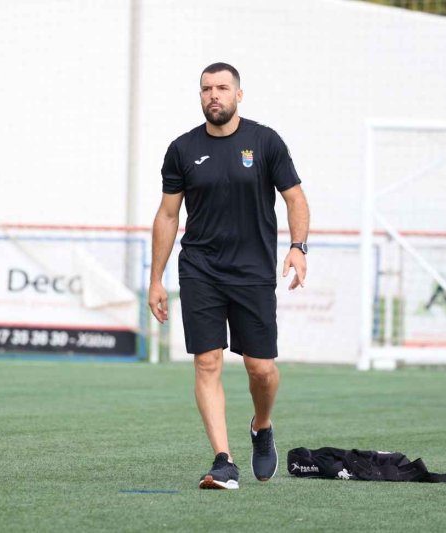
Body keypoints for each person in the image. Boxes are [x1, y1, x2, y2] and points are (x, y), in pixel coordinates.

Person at [148, 62, 309, 490]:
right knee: (207, 361)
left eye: (221, 88)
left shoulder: (265, 141)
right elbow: (167, 214)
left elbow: (295, 197)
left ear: (239, 94)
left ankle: (262, 425)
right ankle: (223, 460)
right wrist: (156, 278)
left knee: (261, 369)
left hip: (254, 271)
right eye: (206, 89)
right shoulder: (182, 149)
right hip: (200, 268)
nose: (213, 95)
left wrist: (298, 246)